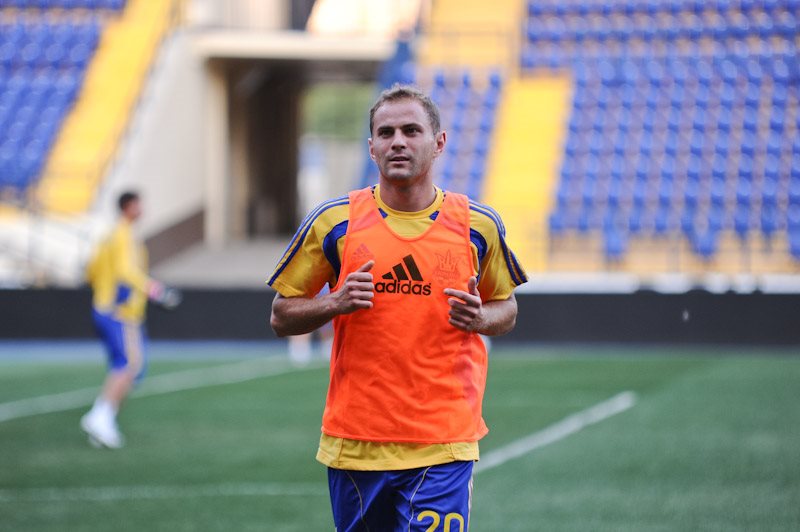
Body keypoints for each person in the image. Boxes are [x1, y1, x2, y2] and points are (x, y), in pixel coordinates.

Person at [268, 84, 526, 531]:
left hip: (443, 443)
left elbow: (507, 308)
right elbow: (280, 315)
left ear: (438, 142)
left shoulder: (478, 226)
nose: (398, 142)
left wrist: (480, 317)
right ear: (372, 147)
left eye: (411, 130)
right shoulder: (335, 222)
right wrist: (335, 302)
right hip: (355, 445)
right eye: (386, 133)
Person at [80, 191, 175, 449]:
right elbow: (125, 270)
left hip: (105, 307)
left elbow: (91, 270)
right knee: (130, 365)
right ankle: (101, 417)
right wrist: (153, 289)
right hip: (120, 311)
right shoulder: (124, 235)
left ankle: (103, 419)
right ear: (129, 207)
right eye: (139, 204)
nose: (143, 209)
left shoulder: (110, 235)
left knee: (122, 366)